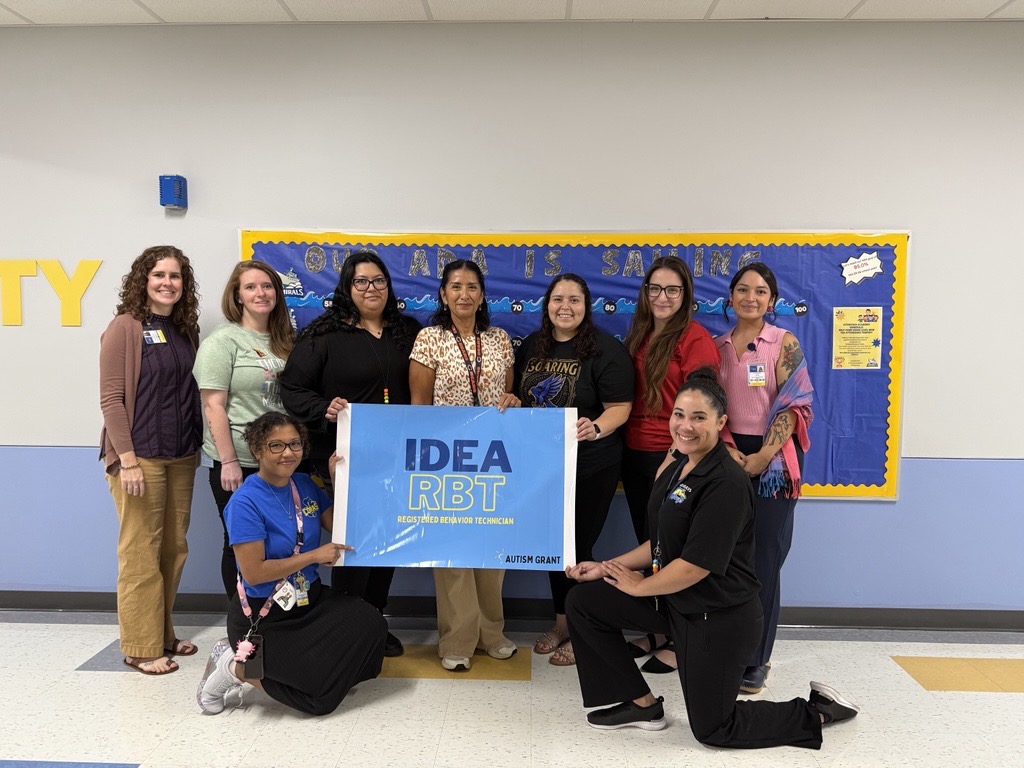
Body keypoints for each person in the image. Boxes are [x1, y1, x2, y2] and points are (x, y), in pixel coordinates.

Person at [564, 368, 858, 748]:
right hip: (676, 601)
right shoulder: (679, 465)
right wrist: (606, 568)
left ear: (721, 423)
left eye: (699, 417)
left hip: (717, 615)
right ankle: (640, 705)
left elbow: (695, 566)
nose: (685, 426)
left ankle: (818, 711)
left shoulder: (725, 483)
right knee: (585, 601)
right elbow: (662, 542)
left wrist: (639, 587)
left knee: (715, 729)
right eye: (679, 414)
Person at [197, 411, 386, 716]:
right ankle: (233, 666)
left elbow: (338, 527)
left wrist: (338, 481)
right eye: (276, 445)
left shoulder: (304, 484)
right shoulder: (245, 502)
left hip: (308, 599)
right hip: (265, 612)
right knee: (318, 701)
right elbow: (254, 573)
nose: (288, 453)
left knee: (370, 623)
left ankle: (305, 672)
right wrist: (312, 556)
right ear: (257, 450)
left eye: (295, 444)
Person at [279, 250, 421, 658]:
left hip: (399, 458)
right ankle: (347, 628)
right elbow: (292, 389)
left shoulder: (407, 331)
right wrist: (323, 409)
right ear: (347, 286)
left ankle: (375, 621)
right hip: (345, 460)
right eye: (361, 281)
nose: (371, 288)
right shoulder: (324, 334)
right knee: (354, 545)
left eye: (378, 280)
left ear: (388, 286)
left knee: (389, 542)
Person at [514, 274, 634, 666]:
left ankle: (586, 631)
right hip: (543, 465)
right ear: (547, 304)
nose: (565, 307)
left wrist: (596, 427)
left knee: (578, 545)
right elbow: (522, 397)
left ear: (586, 306)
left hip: (592, 465)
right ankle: (562, 623)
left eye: (574, 300)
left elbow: (621, 407)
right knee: (555, 547)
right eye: (558, 299)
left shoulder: (606, 349)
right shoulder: (532, 345)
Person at [409, 259, 520, 671]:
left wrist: (512, 400)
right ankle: (457, 640)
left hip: (492, 458)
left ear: (482, 294)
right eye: (455, 286)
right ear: (443, 294)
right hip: (446, 460)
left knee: (492, 547)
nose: (464, 294)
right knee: (453, 552)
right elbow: (419, 406)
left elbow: (506, 398)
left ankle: (492, 633)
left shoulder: (500, 339)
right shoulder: (429, 339)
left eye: (472, 286)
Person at [99, 245, 202, 675]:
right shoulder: (124, 327)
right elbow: (111, 399)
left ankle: (161, 632)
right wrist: (127, 460)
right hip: (138, 456)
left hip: (181, 454)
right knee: (140, 550)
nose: (167, 283)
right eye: (159, 274)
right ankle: (140, 647)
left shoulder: (185, 330)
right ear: (143, 280)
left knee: (174, 549)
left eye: (175, 276)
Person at [715, 262, 814, 695]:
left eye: (759, 291)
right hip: (727, 455)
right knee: (729, 555)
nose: (750, 297)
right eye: (742, 289)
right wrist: (728, 449)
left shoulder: (783, 342)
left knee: (765, 559)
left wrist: (763, 455)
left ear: (771, 301)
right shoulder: (717, 346)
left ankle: (757, 658)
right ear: (730, 297)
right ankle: (729, 645)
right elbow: (710, 405)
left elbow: (795, 405)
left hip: (774, 460)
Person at [620, 255, 720, 672]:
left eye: (672, 290)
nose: (663, 297)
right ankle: (658, 628)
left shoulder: (694, 339)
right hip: (634, 453)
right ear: (646, 293)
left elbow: (702, 403)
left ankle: (682, 638)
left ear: (686, 295)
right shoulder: (640, 333)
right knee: (651, 544)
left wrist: (676, 455)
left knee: (674, 550)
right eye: (655, 289)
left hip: (672, 456)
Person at [193, 260, 294, 597]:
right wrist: (229, 461)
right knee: (240, 541)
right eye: (250, 287)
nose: (260, 293)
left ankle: (274, 615)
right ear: (237, 295)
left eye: (267, 286)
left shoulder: (287, 341)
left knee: (279, 540)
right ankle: (242, 615)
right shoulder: (223, 341)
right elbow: (213, 405)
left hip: (280, 461)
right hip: (238, 460)